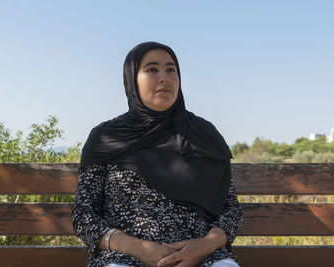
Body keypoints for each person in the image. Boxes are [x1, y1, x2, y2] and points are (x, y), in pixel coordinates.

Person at [73, 41, 243, 267]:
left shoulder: (204, 136)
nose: (165, 77)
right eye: (152, 69)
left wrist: (205, 245)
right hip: (125, 258)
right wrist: (137, 248)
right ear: (132, 79)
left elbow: (231, 210)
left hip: (203, 258)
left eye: (171, 69)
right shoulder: (105, 138)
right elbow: (84, 216)